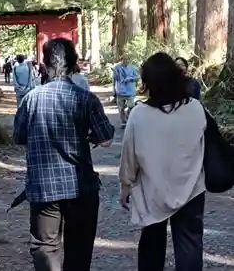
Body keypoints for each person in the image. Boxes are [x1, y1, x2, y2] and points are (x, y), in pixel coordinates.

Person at [13, 38, 115, 271]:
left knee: (44, 246)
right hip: (81, 186)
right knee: (79, 246)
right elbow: (107, 138)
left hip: (43, 187)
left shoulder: (30, 100)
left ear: (45, 65)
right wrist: (89, 138)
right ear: (74, 64)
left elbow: (19, 137)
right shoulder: (85, 98)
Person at [119, 52, 206, 271]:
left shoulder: (139, 115)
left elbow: (129, 154)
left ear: (147, 83)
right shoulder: (196, 108)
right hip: (192, 189)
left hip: (153, 191)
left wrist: (125, 184)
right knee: (190, 247)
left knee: (151, 245)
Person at [113, 55, 138, 127]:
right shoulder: (117, 68)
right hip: (121, 91)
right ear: (121, 60)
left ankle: (128, 116)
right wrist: (113, 88)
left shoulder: (132, 68)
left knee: (131, 106)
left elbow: (137, 76)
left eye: (127, 60)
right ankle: (123, 121)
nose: (126, 61)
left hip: (130, 91)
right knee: (121, 108)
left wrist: (131, 78)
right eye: (124, 60)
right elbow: (114, 79)